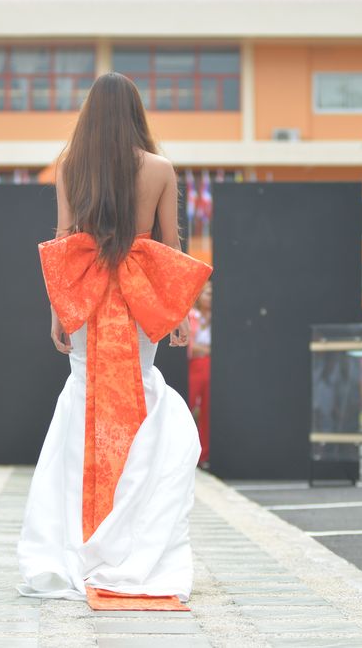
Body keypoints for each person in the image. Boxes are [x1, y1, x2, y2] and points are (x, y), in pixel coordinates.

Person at [16, 72, 213, 609]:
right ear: (135, 113)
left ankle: (74, 542)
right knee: (138, 397)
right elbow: (169, 246)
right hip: (137, 299)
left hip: (85, 298)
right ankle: (128, 534)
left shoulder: (70, 167)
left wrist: (59, 310)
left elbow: (65, 244)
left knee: (82, 403)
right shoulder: (160, 169)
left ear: (89, 115)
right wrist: (177, 311)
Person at [188, 279, 212, 468]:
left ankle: (204, 455)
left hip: (211, 368)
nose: (211, 298)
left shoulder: (218, 317)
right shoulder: (191, 316)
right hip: (194, 367)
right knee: (187, 406)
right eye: (208, 294)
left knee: (208, 411)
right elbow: (190, 347)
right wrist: (206, 350)